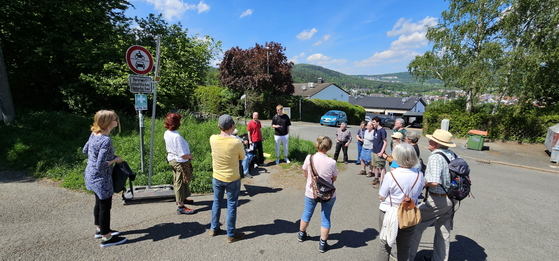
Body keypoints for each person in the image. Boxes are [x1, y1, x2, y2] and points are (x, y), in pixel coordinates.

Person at [408, 129, 458, 261]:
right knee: (443, 231)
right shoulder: (452, 154)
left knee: (415, 225)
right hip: (452, 199)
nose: (429, 141)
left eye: (431, 140)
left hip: (438, 199)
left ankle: (407, 257)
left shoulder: (436, 156)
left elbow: (434, 182)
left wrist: (421, 183)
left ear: (435, 143)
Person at [82, 110, 127, 248]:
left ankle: (100, 229)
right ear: (107, 122)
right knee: (105, 207)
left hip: (90, 174)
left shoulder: (94, 133)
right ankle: (106, 237)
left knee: (99, 203)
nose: (117, 121)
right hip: (101, 178)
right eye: (115, 119)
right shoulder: (105, 140)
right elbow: (101, 165)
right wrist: (115, 160)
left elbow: (85, 150)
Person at [378, 143, 424, 261]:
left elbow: (382, 196)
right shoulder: (419, 175)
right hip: (409, 212)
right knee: (404, 248)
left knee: (385, 245)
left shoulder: (391, 175)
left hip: (390, 211)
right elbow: (418, 193)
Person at [209, 115, 246, 243]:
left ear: (219, 126)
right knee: (231, 205)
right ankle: (231, 234)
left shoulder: (213, 139)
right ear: (232, 126)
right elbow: (242, 157)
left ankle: (213, 228)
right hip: (232, 177)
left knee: (217, 202)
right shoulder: (236, 142)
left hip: (217, 176)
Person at [298, 135, 338, 253]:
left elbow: (305, 173)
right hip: (327, 194)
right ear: (329, 147)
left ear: (317, 145)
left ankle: (301, 234)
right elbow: (334, 178)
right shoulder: (332, 162)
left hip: (311, 191)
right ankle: (322, 243)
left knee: (307, 213)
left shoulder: (309, 158)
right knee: (325, 218)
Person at [164, 112, 196, 215]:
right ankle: (180, 206)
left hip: (172, 159)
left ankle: (182, 198)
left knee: (181, 180)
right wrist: (190, 156)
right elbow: (182, 154)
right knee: (180, 182)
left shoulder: (167, 133)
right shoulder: (176, 137)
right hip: (179, 161)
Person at [370, 116, 387, 188]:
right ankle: (376, 179)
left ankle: (382, 182)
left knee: (381, 167)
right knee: (375, 166)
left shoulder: (382, 130)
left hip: (379, 152)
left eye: (374, 122)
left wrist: (381, 152)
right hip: (374, 151)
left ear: (378, 122)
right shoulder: (375, 130)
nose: (372, 123)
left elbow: (385, 142)